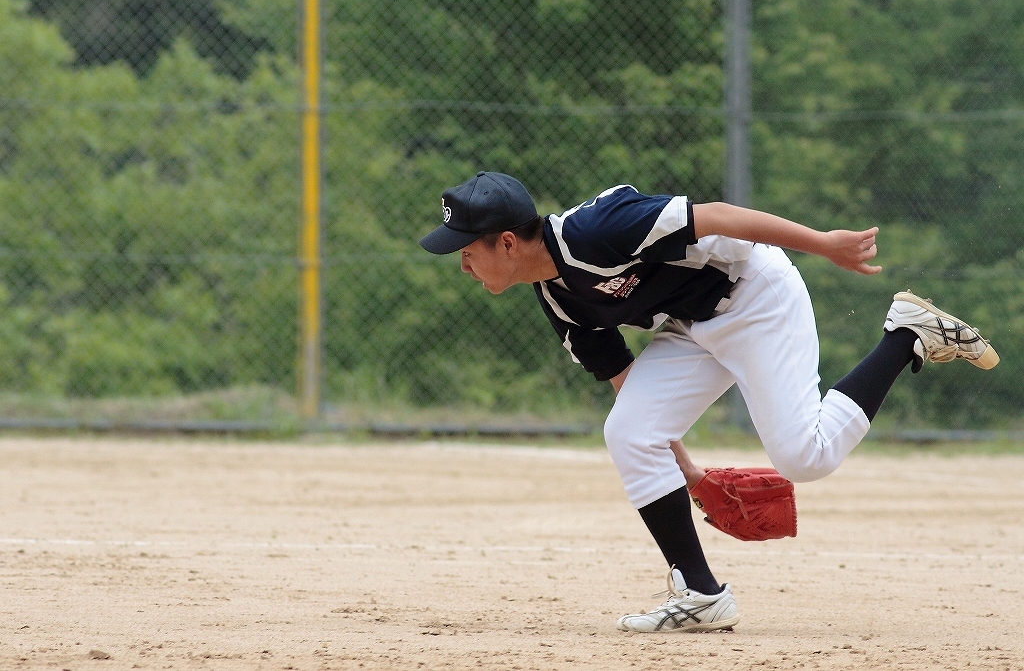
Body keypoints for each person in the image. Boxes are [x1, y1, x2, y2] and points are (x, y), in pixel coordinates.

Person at [418, 171, 998, 633]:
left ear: (508, 242)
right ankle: (701, 594)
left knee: (805, 458)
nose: (461, 261)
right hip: (693, 326)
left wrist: (824, 245)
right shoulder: (560, 300)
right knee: (626, 432)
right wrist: (688, 471)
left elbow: (718, 217)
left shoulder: (595, 231)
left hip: (755, 296)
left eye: (465, 249)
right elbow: (629, 388)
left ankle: (905, 336)